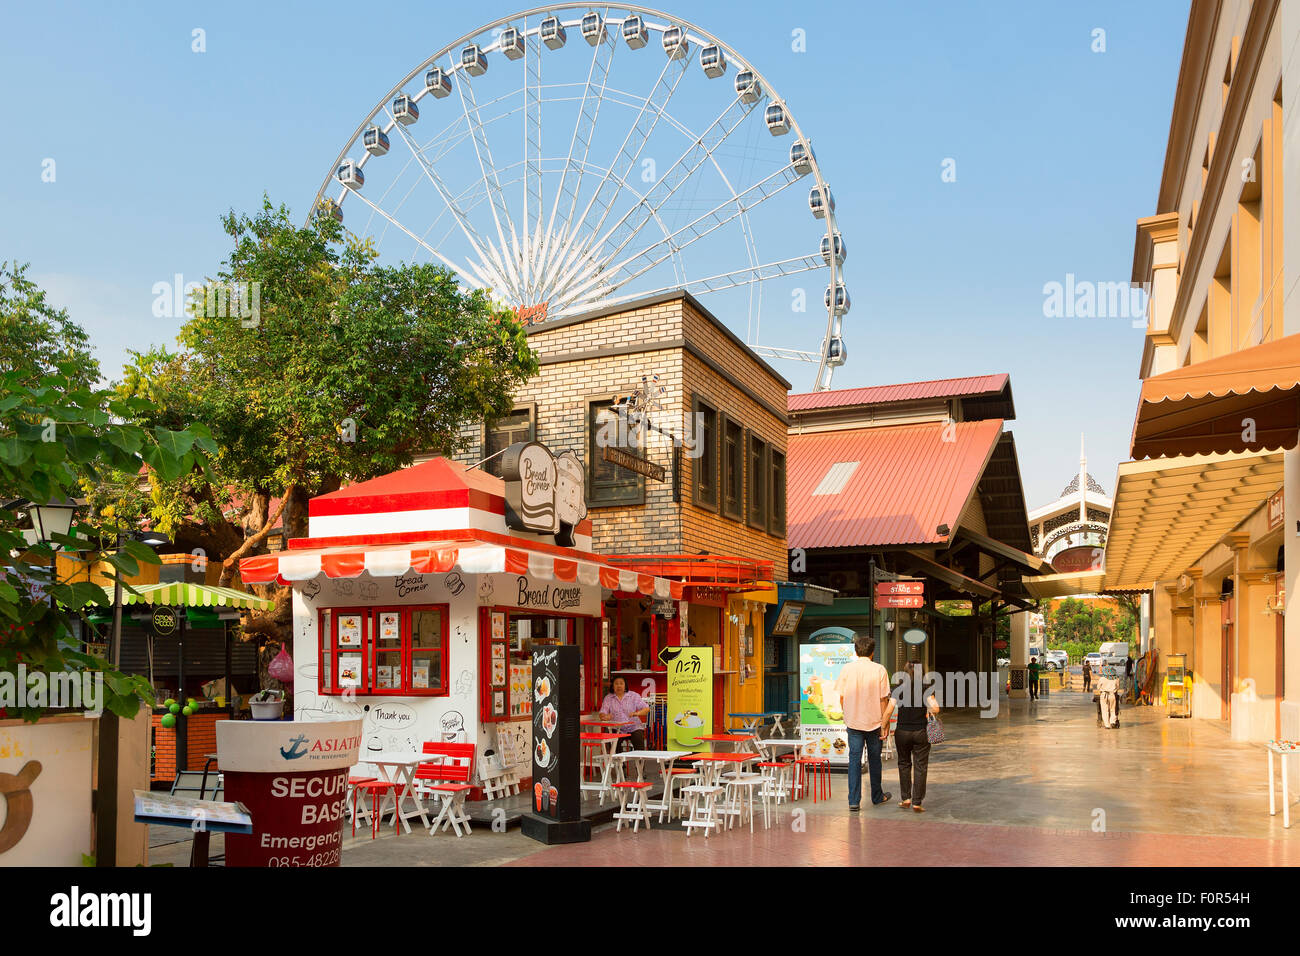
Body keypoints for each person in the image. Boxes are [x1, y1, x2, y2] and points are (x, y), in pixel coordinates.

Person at [832, 634, 894, 811]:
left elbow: (842, 697)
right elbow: (883, 699)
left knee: (854, 760)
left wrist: (848, 713)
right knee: (875, 760)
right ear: (872, 653)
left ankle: (853, 801)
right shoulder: (879, 670)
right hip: (874, 723)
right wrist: (885, 723)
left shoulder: (847, 669)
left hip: (853, 723)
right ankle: (877, 796)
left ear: (856, 652)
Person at [893, 660, 940, 813]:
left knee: (903, 764)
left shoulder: (898, 688)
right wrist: (928, 709)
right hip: (920, 732)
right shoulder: (926, 688)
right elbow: (936, 708)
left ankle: (906, 798)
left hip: (902, 732)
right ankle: (917, 802)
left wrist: (883, 726)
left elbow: (889, 709)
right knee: (920, 766)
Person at [597, 677, 649, 751]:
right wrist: (604, 717)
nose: (619, 686)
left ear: (625, 686)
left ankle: (639, 758)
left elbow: (646, 709)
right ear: (613, 686)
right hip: (616, 728)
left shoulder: (633, 696)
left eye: (621, 683)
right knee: (612, 742)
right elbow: (602, 713)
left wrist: (637, 713)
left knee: (638, 739)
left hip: (634, 727)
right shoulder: (608, 698)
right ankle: (618, 758)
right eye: (616, 684)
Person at [1097, 663, 1120, 729]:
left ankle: (1107, 725)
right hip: (1112, 695)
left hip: (1104, 695)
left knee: (1105, 710)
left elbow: (1098, 687)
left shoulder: (1102, 678)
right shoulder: (1116, 678)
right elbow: (1117, 687)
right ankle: (1112, 722)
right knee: (1113, 709)